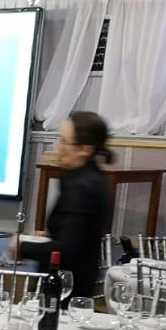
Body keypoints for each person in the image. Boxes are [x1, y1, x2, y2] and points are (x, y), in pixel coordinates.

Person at [13, 110, 113, 298]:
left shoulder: (81, 187)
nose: (58, 147)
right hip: (78, 282)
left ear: (86, 149)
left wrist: (23, 247)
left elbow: (68, 250)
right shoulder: (92, 178)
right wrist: (50, 237)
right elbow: (78, 233)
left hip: (67, 289)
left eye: (65, 142)